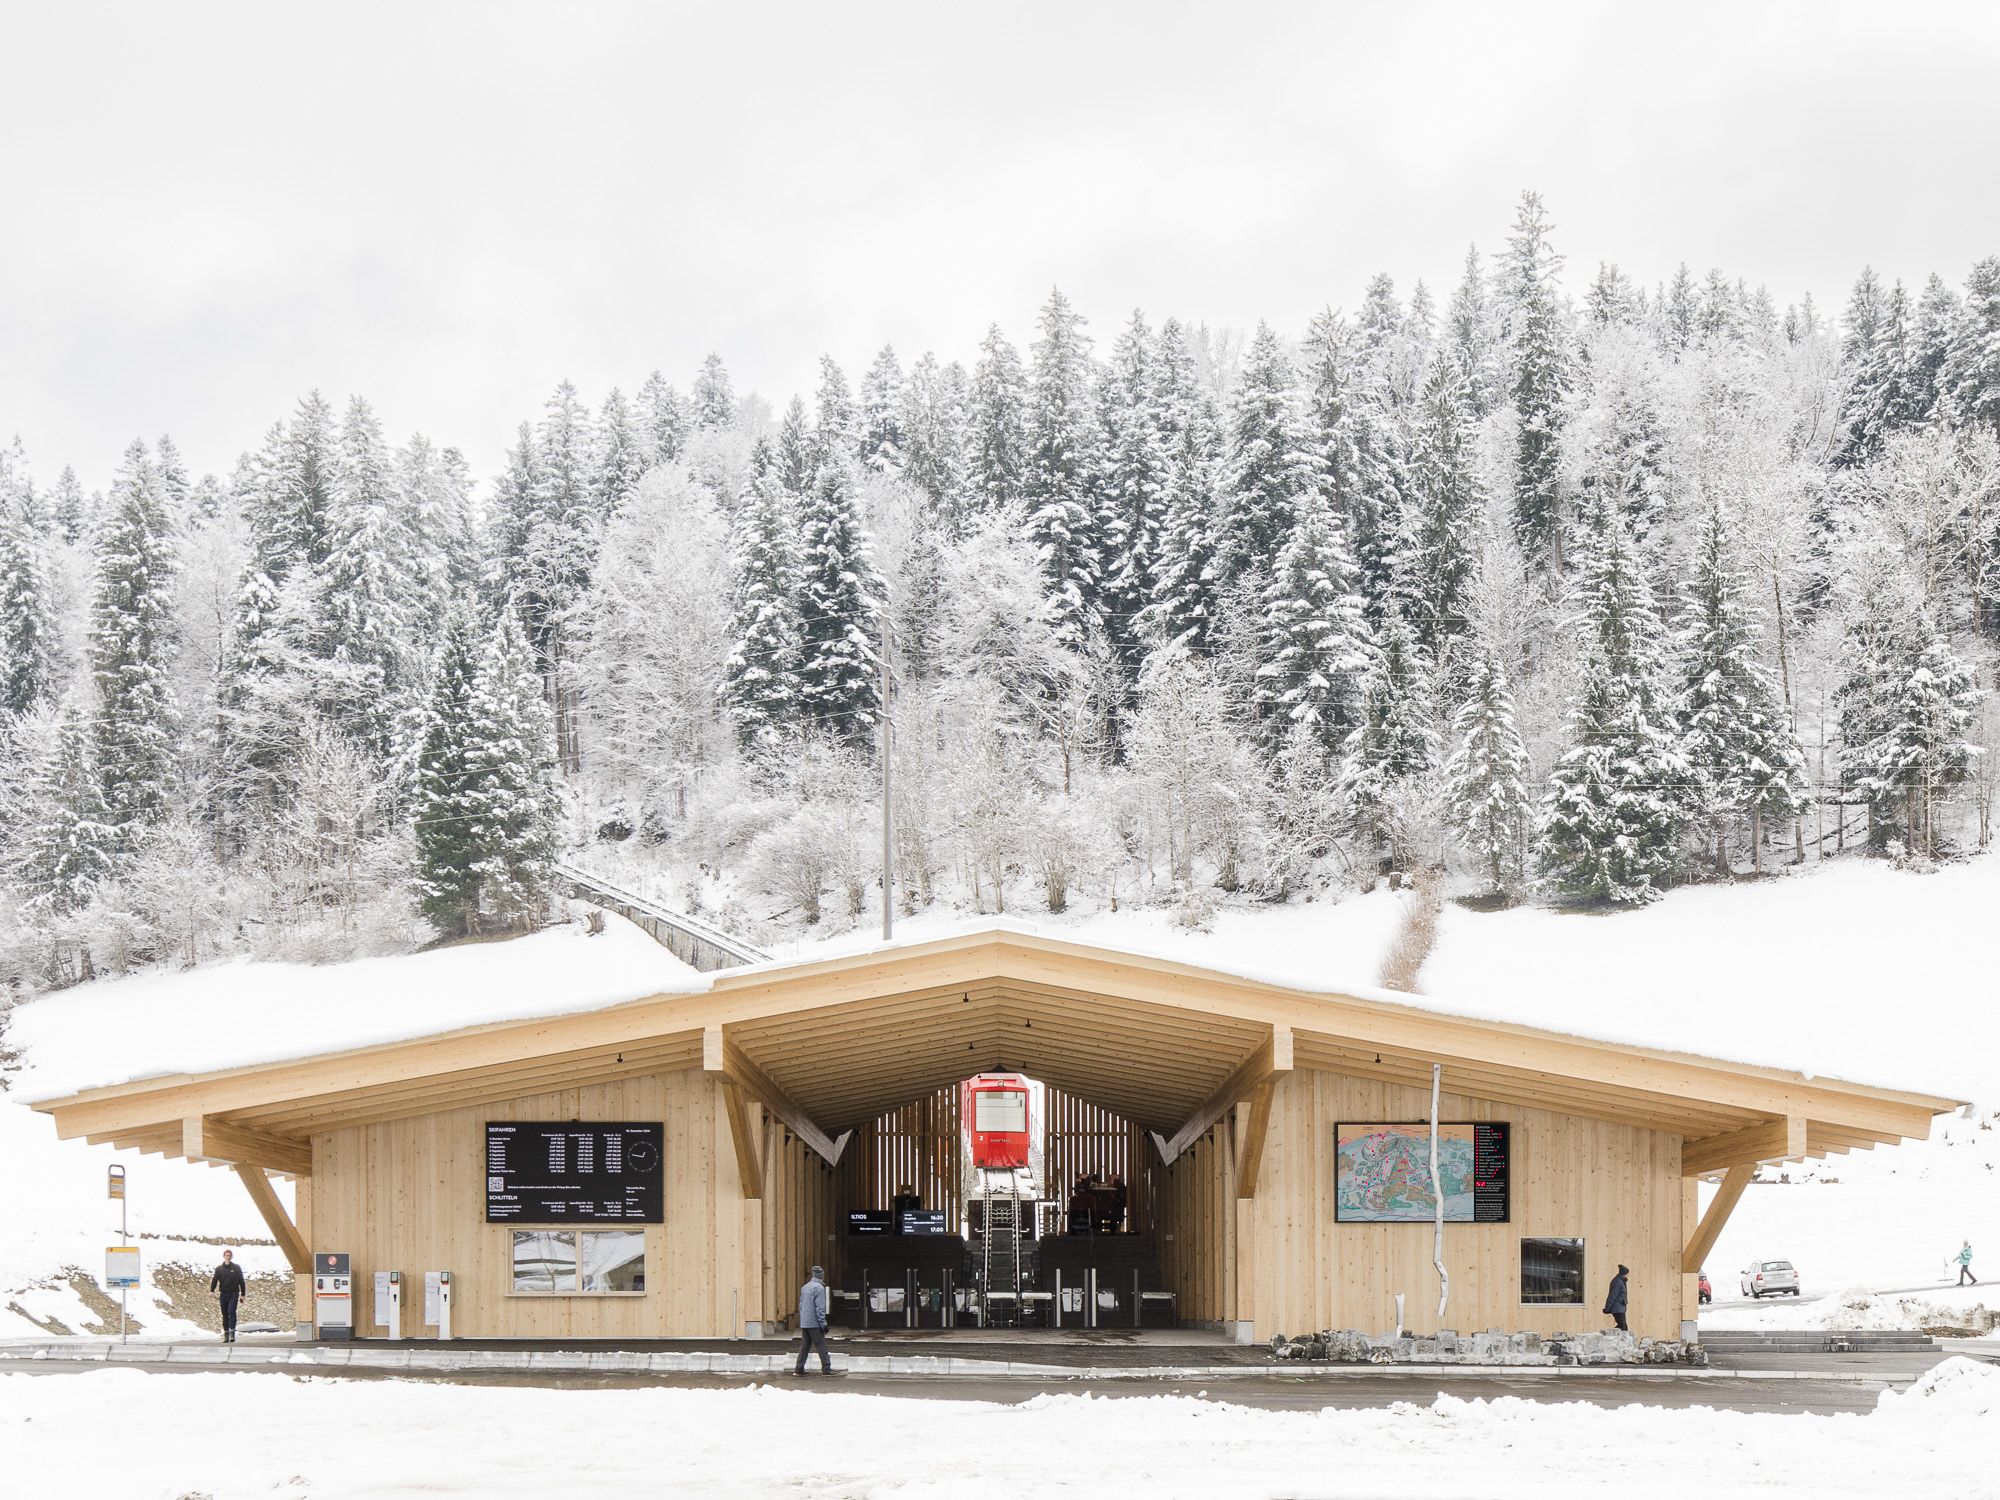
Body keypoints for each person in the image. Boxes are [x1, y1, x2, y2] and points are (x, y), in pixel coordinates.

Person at [794, 1265, 833, 1375]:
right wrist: (824, 1324)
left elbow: (801, 1305)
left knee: (805, 1346)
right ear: (822, 1277)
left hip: (805, 1322)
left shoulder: (805, 1287)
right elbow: (819, 1308)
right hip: (814, 1323)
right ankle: (826, 1368)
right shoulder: (819, 1288)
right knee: (821, 1345)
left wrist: (803, 1320)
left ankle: (799, 1368)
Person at [210, 1249, 247, 1342]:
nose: (228, 1257)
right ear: (224, 1256)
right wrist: (212, 1290)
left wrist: (243, 1294)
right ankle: (226, 1333)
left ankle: (232, 1334)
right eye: (226, 1255)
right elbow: (215, 1280)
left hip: (233, 1293)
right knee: (225, 1314)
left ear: (231, 1256)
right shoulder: (219, 1269)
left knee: (231, 1312)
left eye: (229, 1255)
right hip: (223, 1293)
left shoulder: (236, 1268)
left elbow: (241, 1281)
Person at [1603, 1264, 1629, 1333]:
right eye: (1627, 1273)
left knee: (1622, 1326)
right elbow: (1612, 1296)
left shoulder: (1620, 1281)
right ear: (1624, 1274)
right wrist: (1607, 1308)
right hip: (1618, 1308)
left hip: (1620, 1307)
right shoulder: (1618, 1282)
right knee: (1623, 1327)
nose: (1628, 1275)